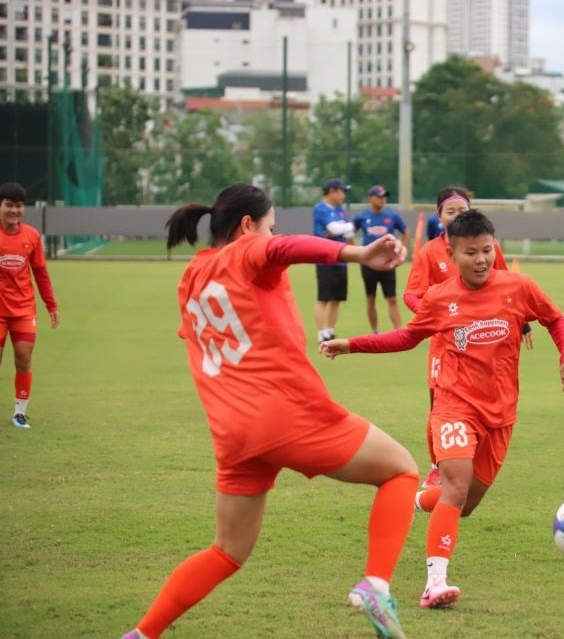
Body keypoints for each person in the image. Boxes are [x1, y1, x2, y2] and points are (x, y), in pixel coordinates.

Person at [119, 184, 418, 639]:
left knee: (227, 551)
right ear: (246, 226)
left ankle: (141, 635)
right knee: (401, 471)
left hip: (232, 431)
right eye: (270, 225)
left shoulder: (192, 278)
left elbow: (205, 336)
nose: (273, 234)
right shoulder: (246, 251)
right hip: (284, 411)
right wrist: (357, 255)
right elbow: (286, 248)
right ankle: (376, 585)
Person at [321, 209, 564, 611]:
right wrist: (351, 343)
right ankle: (434, 583)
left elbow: (555, 319)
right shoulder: (441, 297)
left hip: (501, 412)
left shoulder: (519, 287)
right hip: (454, 404)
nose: (480, 259)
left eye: (487, 250)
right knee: (457, 486)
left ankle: (416, 501)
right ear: (453, 254)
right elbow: (408, 337)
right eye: (470, 252)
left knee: (466, 503)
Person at [403, 186, 530, 489]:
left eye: (462, 210)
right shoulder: (429, 252)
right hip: (445, 342)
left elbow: (506, 287)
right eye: (451, 211)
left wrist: (523, 324)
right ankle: (437, 465)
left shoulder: (489, 248)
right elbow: (411, 293)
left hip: (483, 339)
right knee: (440, 405)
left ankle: (466, 459)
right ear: (440, 216)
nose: (457, 215)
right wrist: (433, 315)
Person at [0, 182, 59, 429]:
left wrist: (51, 305)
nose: (14, 210)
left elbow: (40, 272)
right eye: (9, 205)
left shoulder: (31, 236)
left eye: (19, 206)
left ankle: (20, 413)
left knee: (23, 359)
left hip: (24, 310)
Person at [352, 185, 409, 333]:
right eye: (379, 196)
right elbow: (350, 233)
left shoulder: (392, 216)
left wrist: (399, 247)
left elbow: (406, 232)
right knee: (371, 298)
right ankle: (375, 332)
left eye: (385, 196)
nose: (383, 199)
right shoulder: (362, 216)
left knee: (392, 298)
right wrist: (355, 252)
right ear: (370, 199)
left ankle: (399, 331)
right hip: (368, 263)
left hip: (387, 263)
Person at [313, 177, 355, 343]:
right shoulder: (320, 208)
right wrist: (347, 227)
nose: (343, 196)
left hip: (341, 258)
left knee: (337, 298)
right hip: (325, 259)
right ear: (332, 191)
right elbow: (334, 229)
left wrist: (343, 230)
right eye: (342, 191)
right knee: (323, 297)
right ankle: (320, 333)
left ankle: (330, 331)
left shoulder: (341, 210)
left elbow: (345, 232)